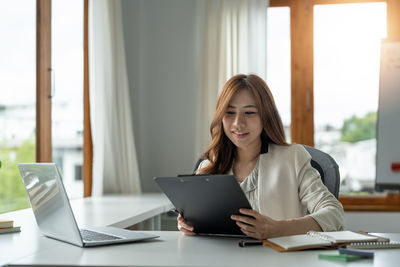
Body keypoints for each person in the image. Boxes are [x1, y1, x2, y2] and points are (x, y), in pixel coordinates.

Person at [177, 74, 344, 240]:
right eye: (229, 112)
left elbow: (334, 214)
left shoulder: (292, 158)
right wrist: (188, 225)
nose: (237, 123)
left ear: (266, 116)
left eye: (249, 112)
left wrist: (278, 229)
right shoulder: (208, 166)